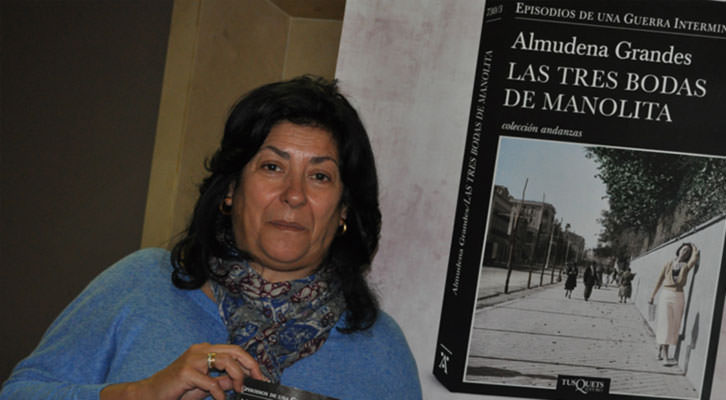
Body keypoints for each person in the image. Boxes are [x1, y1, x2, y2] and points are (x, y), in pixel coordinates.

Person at [1, 76, 422, 400]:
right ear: (230, 191)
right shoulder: (140, 284)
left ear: (344, 210)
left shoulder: (380, 350)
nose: (294, 195)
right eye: (272, 167)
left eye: (320, 176)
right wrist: (137, 393)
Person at [649, 242, 699, 365]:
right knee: (666, 324)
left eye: (687, 251)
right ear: (679, 250)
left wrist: (692, 246)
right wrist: (652, 296)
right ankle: (666, 356)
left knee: (673, 326)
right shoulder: (668, 264)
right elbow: (659, 280)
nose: (685, 252)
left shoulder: (686, 266)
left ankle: (660, 350)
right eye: (683, 249)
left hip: (679, 297)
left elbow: (695, 256)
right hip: (666, 295)